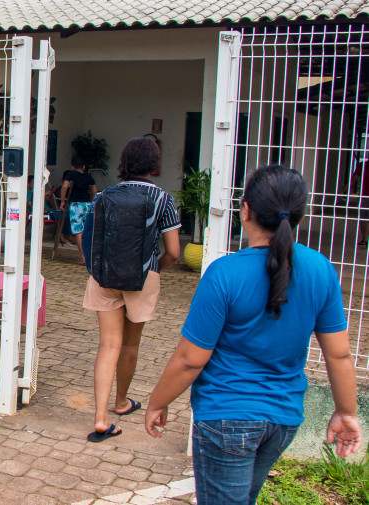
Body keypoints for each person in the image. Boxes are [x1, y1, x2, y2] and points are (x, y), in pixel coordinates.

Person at [144, 165, 362, 505]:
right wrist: (346, 411)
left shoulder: (224, 274)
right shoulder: (321, 269)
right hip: (282, 419)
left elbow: (190, 360)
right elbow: (338, 355)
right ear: (301, 215)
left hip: (226, 416)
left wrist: (157, 401)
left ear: (245, 210)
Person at [84, 137, 181, 442]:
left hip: (104, 276)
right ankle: (122, 403)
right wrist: (155, 268)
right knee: (129, 346)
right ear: (154, 164)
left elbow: (89, 237)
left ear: (123, 163)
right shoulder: (164, 199)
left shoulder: (104, 196)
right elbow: (174, 253)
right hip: (143, 276)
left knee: (108, 346)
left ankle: (101, 419)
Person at [59, 155, 97, 265]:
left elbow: (65, 187)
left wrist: (62, 201)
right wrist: (91, 201)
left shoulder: (71, 174)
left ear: (73, 166)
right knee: (88, 231)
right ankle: (89, 256)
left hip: (76, 205)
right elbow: (94, 190)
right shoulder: (89, 176)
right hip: (87, 205)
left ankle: (83, 257)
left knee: (78, 232)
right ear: (84, 167)